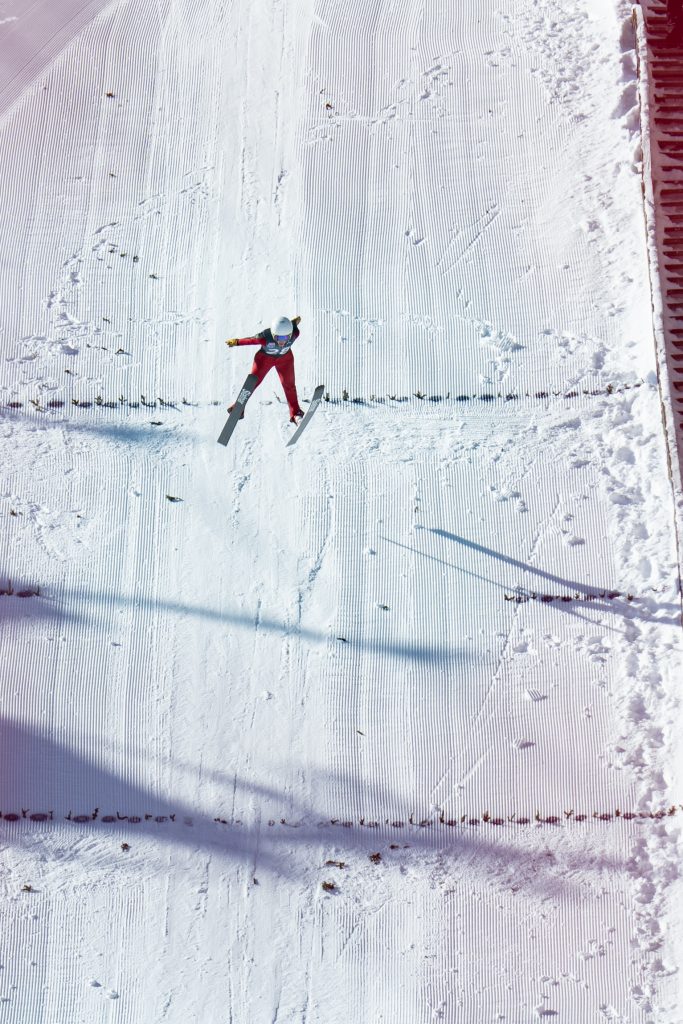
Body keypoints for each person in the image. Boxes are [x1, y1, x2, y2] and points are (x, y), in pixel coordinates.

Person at [225, 315, 305, 423]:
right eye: (278, 338)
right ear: (273, 334)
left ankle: (296, 413)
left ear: (290, 335)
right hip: (264, 360)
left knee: (289, 385)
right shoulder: (265, 337)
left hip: (285, 360)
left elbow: (293, 325)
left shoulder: (295, 334)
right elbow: (251, 340)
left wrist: (294, 323)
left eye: (285, 338)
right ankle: (238, 408)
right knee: (252, 382)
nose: (282, 341)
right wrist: (236, 342)